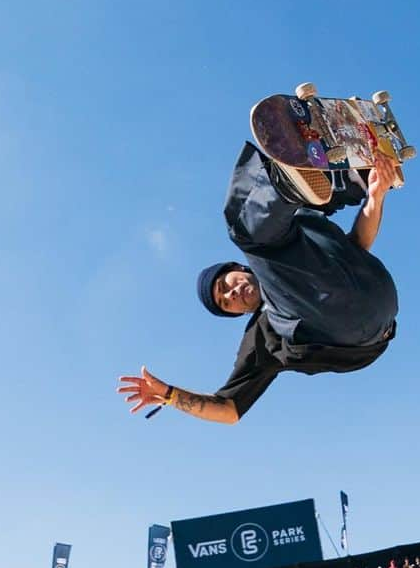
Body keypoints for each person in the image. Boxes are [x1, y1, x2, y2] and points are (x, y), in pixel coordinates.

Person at [118, 141, 400, 423]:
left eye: (225, 286)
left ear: (238, 269)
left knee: (301, 220)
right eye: (228, 304)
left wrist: (376, 197)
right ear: (239, 313)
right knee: (246, 233)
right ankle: (294, 183)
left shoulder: (295, 236)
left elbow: (356, 247)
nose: (234, 294)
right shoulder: (262, 337)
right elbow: (229, 409)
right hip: (351, 337)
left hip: (371, 287)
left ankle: (352, 177)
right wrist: (169, 394)